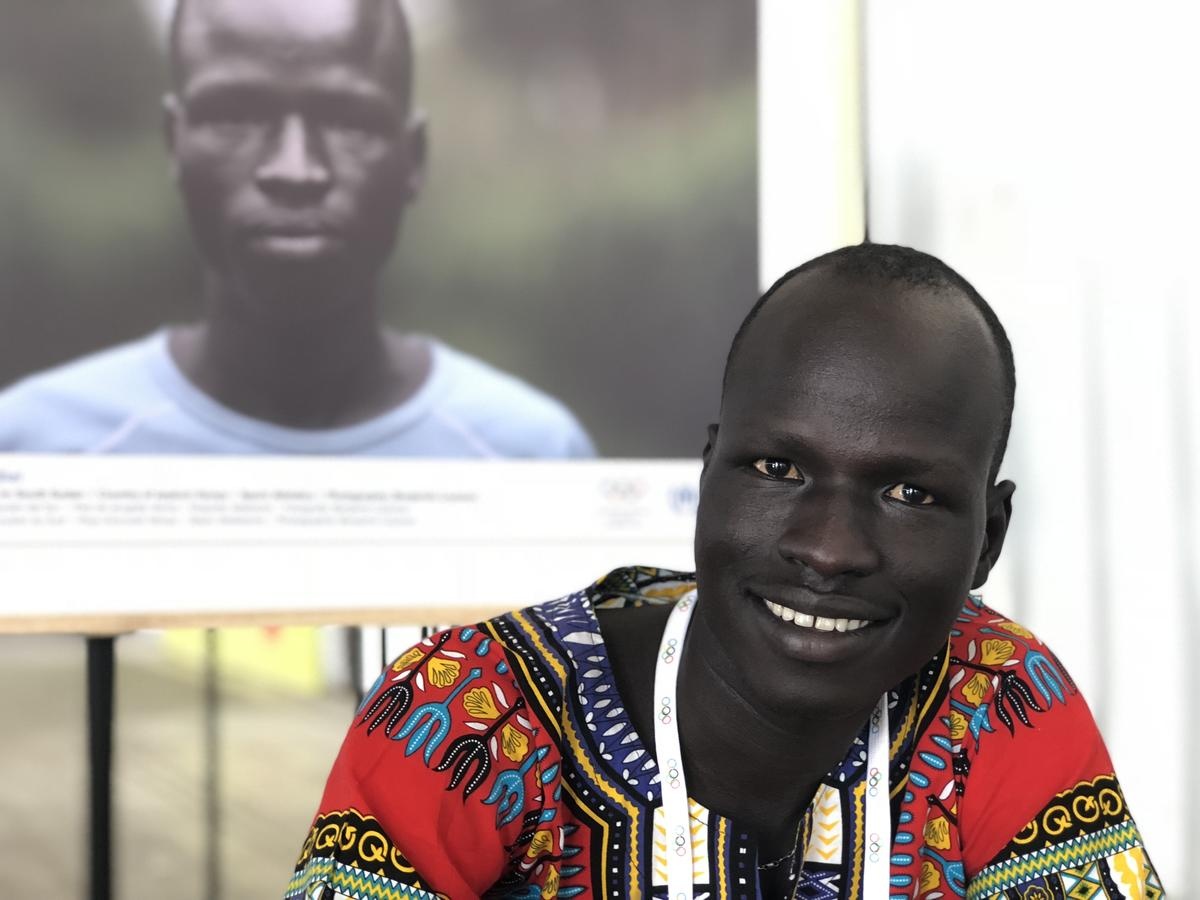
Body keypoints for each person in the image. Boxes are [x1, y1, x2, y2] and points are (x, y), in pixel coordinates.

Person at [286, 244, 1161, 899]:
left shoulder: (1001, 696)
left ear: (989, 538)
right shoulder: (462, 716)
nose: (829, 549)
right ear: (709, 475)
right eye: (778, 470)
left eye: (908, 492)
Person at [0, 0, 592, 457]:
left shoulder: (530, 457)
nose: (295, 169)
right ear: (173, 144)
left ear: (412, 158)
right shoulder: (33, 452)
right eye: (235, 114)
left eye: (348, 120)